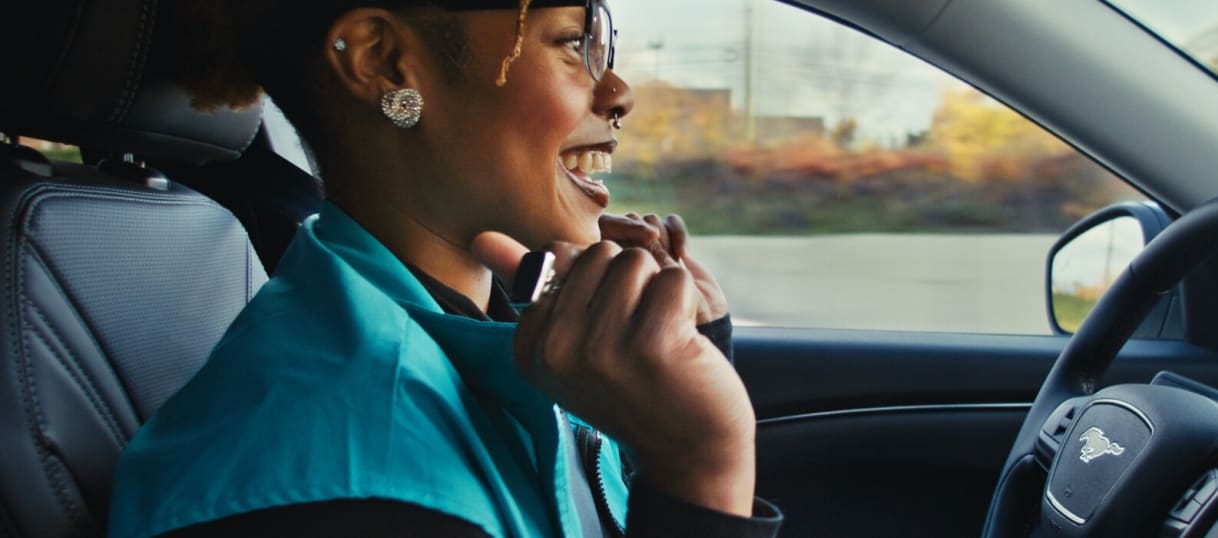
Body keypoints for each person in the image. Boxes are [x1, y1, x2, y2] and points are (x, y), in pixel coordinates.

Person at [107, 0, 781, 536]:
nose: (618, 91)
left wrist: (692, 351)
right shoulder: (348, 495)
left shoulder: (467, 325)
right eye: (575, 40)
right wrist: (700, 476)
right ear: (385, 60)